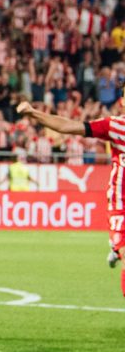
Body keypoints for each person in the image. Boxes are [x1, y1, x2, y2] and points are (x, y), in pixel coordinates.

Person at [17, 100, 125, 283]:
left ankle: (116, 248)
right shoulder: (116, 125)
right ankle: (118, 247)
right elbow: (68, 125)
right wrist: (33, 113)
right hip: (121, 202)